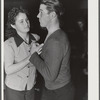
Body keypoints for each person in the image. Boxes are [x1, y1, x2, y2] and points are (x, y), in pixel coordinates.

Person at [29, 0, 75, 100]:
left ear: (53, 15)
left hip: (59, 93)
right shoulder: (53, 34)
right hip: (53, 89)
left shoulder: (56, 41)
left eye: (41, 12)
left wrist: (33, 55)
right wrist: (38, 52)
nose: (37, 15)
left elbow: (50, 76)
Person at [4, 7, 40, 100]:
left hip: (30, 87)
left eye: (27, 20)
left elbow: (37, 37)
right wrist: (30, 57)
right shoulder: (9, 44)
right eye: (21, 21)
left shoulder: (35, 38)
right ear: (13, 25)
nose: (26, 23)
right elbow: (8, 70)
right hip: (14, 89)